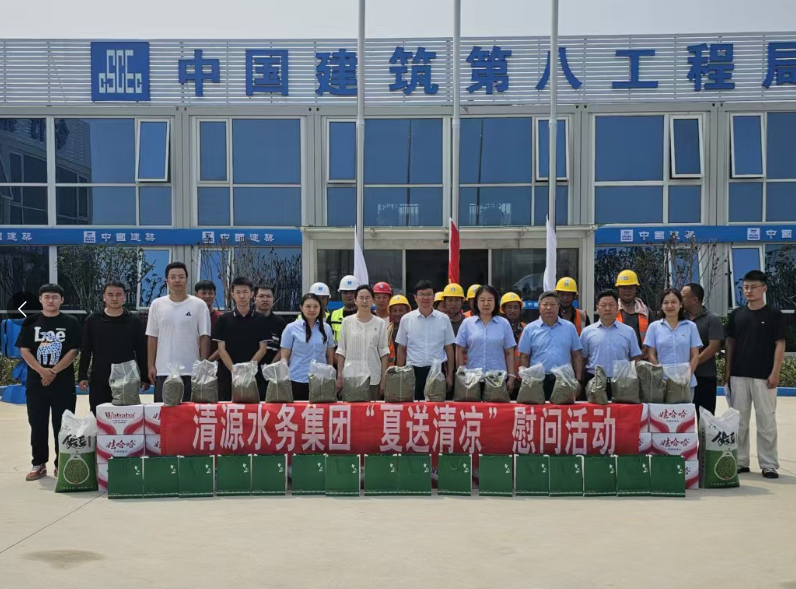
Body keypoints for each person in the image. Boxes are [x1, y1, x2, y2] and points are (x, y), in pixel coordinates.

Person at [725, 270, 786, 479]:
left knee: (766, 421)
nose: (749, 291)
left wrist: (775, 372)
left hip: (764, 376)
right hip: (739, 375)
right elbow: (730, 342)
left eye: (753, 287)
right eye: (745, 287)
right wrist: (727, 372)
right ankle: (741, 461)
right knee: (739, 422)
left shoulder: (774, 314)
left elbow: (780, 344)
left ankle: (769, 464)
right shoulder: (737, 314)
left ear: (764, 288)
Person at [17, 284, 81, 481]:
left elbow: (74, 350)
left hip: (63, 383)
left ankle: (61, 463)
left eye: (55, 297)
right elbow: (24, 349)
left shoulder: (71, 322)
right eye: (47, 297)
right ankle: (39, 463)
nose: (51, 300)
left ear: (62, 300)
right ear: (40, 299)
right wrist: (42, 371)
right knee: (37, 424)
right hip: (36, 383)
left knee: (63, 425)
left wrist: (53, 371)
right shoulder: (31, 322)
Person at [78, 281, 148, 414]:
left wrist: (145, 377)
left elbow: (141, 351)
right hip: (100, 376)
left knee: (127, 416)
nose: (114, 298)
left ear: (124, 297)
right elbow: (86, 350)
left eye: (118, 294)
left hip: (127, 379)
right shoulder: (93, 320)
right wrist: (82, 376)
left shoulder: (134, 321)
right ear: (104, 297)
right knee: (98, 416)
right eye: (110, 294)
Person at [146, 262, 211, 402]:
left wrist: (203, 365)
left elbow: (204, 337)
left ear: (186, 279)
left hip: (191, 370)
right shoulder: (157, 304)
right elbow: (152, 337)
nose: (177, 280)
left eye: (181, 277)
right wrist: (151, 365)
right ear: (167, 280)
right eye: (173, 277)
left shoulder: (199, 305)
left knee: (189, 412)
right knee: (164, 412)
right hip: (163, 370)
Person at [395, 280, 455, 400]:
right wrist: (400, 375)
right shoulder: (406, 319)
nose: (425, 298)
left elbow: (449, 349)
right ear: (415, 297)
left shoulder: (444, 319)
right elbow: (401, 349)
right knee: (414, 406)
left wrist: (449, 376)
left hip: (437, 371)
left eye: (429, 294)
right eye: (422, 295)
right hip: (413, 371)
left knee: (436, 406)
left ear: (434, 297)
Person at [518, 291, 583, 400]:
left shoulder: (569, 327)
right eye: (545, 304)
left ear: (558, 306)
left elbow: (576, 355)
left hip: (565, 380)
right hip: (537, 381)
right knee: (539, 410)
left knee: (563, 410)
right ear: (539, 307)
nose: (549, 308)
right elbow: (524, 357)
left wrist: (578, 380)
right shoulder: (530, 329)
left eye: (552, 304)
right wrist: (525, 380)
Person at [213, 277, 270, 401]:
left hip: (254, 375)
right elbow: (221, 350)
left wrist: (247, 370)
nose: (242, 296)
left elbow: (263, 349)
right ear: (232, 295)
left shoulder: (261, 319)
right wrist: (235, 370)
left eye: (245, 292)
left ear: (251, 294)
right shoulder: (223, 320)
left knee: (254, 408)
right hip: (228, 375)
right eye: (238, 292)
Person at [580, 290, 642, 399]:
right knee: (594, 409)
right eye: (603, 305)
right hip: (594, 381)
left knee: (621, 409)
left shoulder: (628, 331)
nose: (607, 308)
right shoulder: (587, 332)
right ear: (597, 308)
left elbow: (635, 358)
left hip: (622, 382)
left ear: (617, 307)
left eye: (611, 305)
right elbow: (582, 359)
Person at [455, 285, 517, 392]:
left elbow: (509, 352)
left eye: (490, 300)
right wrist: (461, 375)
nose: (486, 303)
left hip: (498, 379)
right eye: (482, 300)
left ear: (495, 302)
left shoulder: (504, 323)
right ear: (476, 302)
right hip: (472, 379)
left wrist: (511, 376)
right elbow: (459, 350)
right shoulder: (467, 323)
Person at [643, 288, 702, 400]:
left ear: (681, 304)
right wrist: (662, 376)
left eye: (674, 302)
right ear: (661, 306)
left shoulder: (690, 326)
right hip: (662, 383)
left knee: (684, 411)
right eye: (666, 302)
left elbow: (695, 356)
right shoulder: (654, 327)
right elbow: (651, 355)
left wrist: (686, 376)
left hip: (686, 384)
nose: (670, 306)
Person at [335, 285, 389, 400]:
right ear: (355, 300)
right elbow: (341, 350)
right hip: (351, 377)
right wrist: (339, 376)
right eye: (361, 297)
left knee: (372, 410)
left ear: (372, 300)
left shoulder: (380, 323)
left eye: (368, 298)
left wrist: (384, 379)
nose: (364, 301)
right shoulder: (347, 322)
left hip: (373, 377)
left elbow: (384, 353)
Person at [280, 293, 336, 400]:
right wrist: (283, 379)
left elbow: (329, 357)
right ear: (301, 308)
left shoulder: (327, 328)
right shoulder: (291, 328)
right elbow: (284, 357)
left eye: (315, 306)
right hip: (297, 379)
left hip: (321, 379)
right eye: (308, 306)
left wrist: (331, 377)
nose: (312, 310)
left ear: (320, 308)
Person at [681, 283, 723, 420]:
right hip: (681, 378)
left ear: (694, 299)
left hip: (704, 376)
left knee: (705, 419)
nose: (680, 299)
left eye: (683, 296)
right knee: (681, 418)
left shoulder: (712, 319)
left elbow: (713, 347)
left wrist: (692, 364)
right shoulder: (679, 319)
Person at [614, 270, 654, 350]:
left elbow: (653, 338)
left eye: (630, 287)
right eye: (624, 288)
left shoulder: (646, 312)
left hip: (643, 356)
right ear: (618, 289)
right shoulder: (613, 311)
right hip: (618, 356)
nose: (627, 291)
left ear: (636, 289)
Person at [253, 284, 287, 366]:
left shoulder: (280, 323)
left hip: (272, 369)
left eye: (268, 296)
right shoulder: (248, 320)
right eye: (261, 296)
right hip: (249, 368)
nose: (265, 299)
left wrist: (271, 366)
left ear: (273, 299)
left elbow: (284, 347)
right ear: (254, 299)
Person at [500, 292, 525, 398]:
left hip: (521, 379)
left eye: (516, 307)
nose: (513, 310)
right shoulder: (497, 328)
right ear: (504, 309)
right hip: (501, 377)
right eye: (509, 307)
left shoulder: (526, 328)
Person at [195, 280, 223, 362]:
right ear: (195, 295)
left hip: (215, 363)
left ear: (215, 295)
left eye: (210, 293)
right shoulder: (190, 317)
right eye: (203, 293)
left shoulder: (221, 318)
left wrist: (207, 362)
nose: (207, 296)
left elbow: (224, 345)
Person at [329, 275, 359, 342]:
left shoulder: (367, 315)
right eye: (345, 292)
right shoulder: (332, 316)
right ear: (341, 294)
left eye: (352, 292)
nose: (349, 295)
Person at [387, 294, 411, 366]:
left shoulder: (414, 328)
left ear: (407, 311)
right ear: (390, 313)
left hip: (411, 368)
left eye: (401, 310)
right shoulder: (386, 331)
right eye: (394, 311)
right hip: (392, 369)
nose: (397, 313)